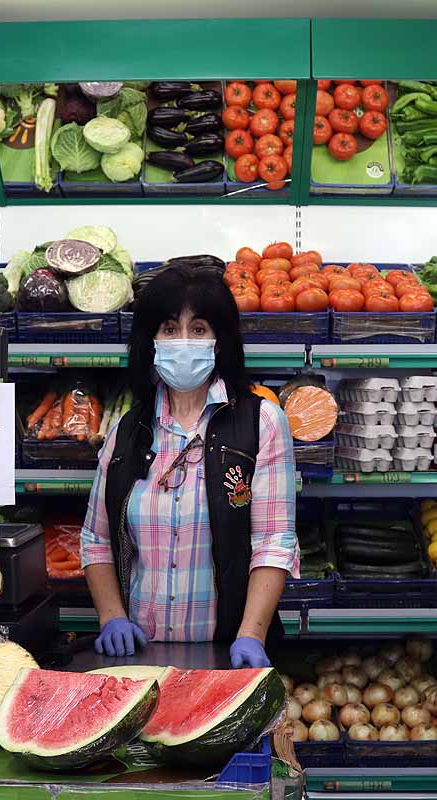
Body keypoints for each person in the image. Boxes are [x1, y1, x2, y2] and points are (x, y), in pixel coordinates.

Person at [79, 265, 299, 668]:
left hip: (229, 651)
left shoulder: (260, 421)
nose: (183, 342)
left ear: (221, 341)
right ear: (151, 341)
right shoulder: (128, 430)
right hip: (143, 652)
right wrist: (112, 617)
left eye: (198, 329)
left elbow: (274, 541)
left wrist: (251, 635)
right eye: (169, 329)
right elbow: (96, 539)